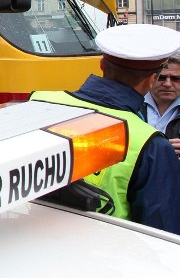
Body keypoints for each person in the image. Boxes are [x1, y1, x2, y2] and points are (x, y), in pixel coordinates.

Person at [31, 24, 180, 235]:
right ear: (152, 79)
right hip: (104, 259)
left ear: (102, 64)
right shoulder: (151, 144)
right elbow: (163, 237)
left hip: (29, 244)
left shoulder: (37, 101)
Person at [143, 53, 180, 155]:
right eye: (161, 78)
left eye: (175, 78)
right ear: (151, 77)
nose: (167, 84)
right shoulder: (130, 105)